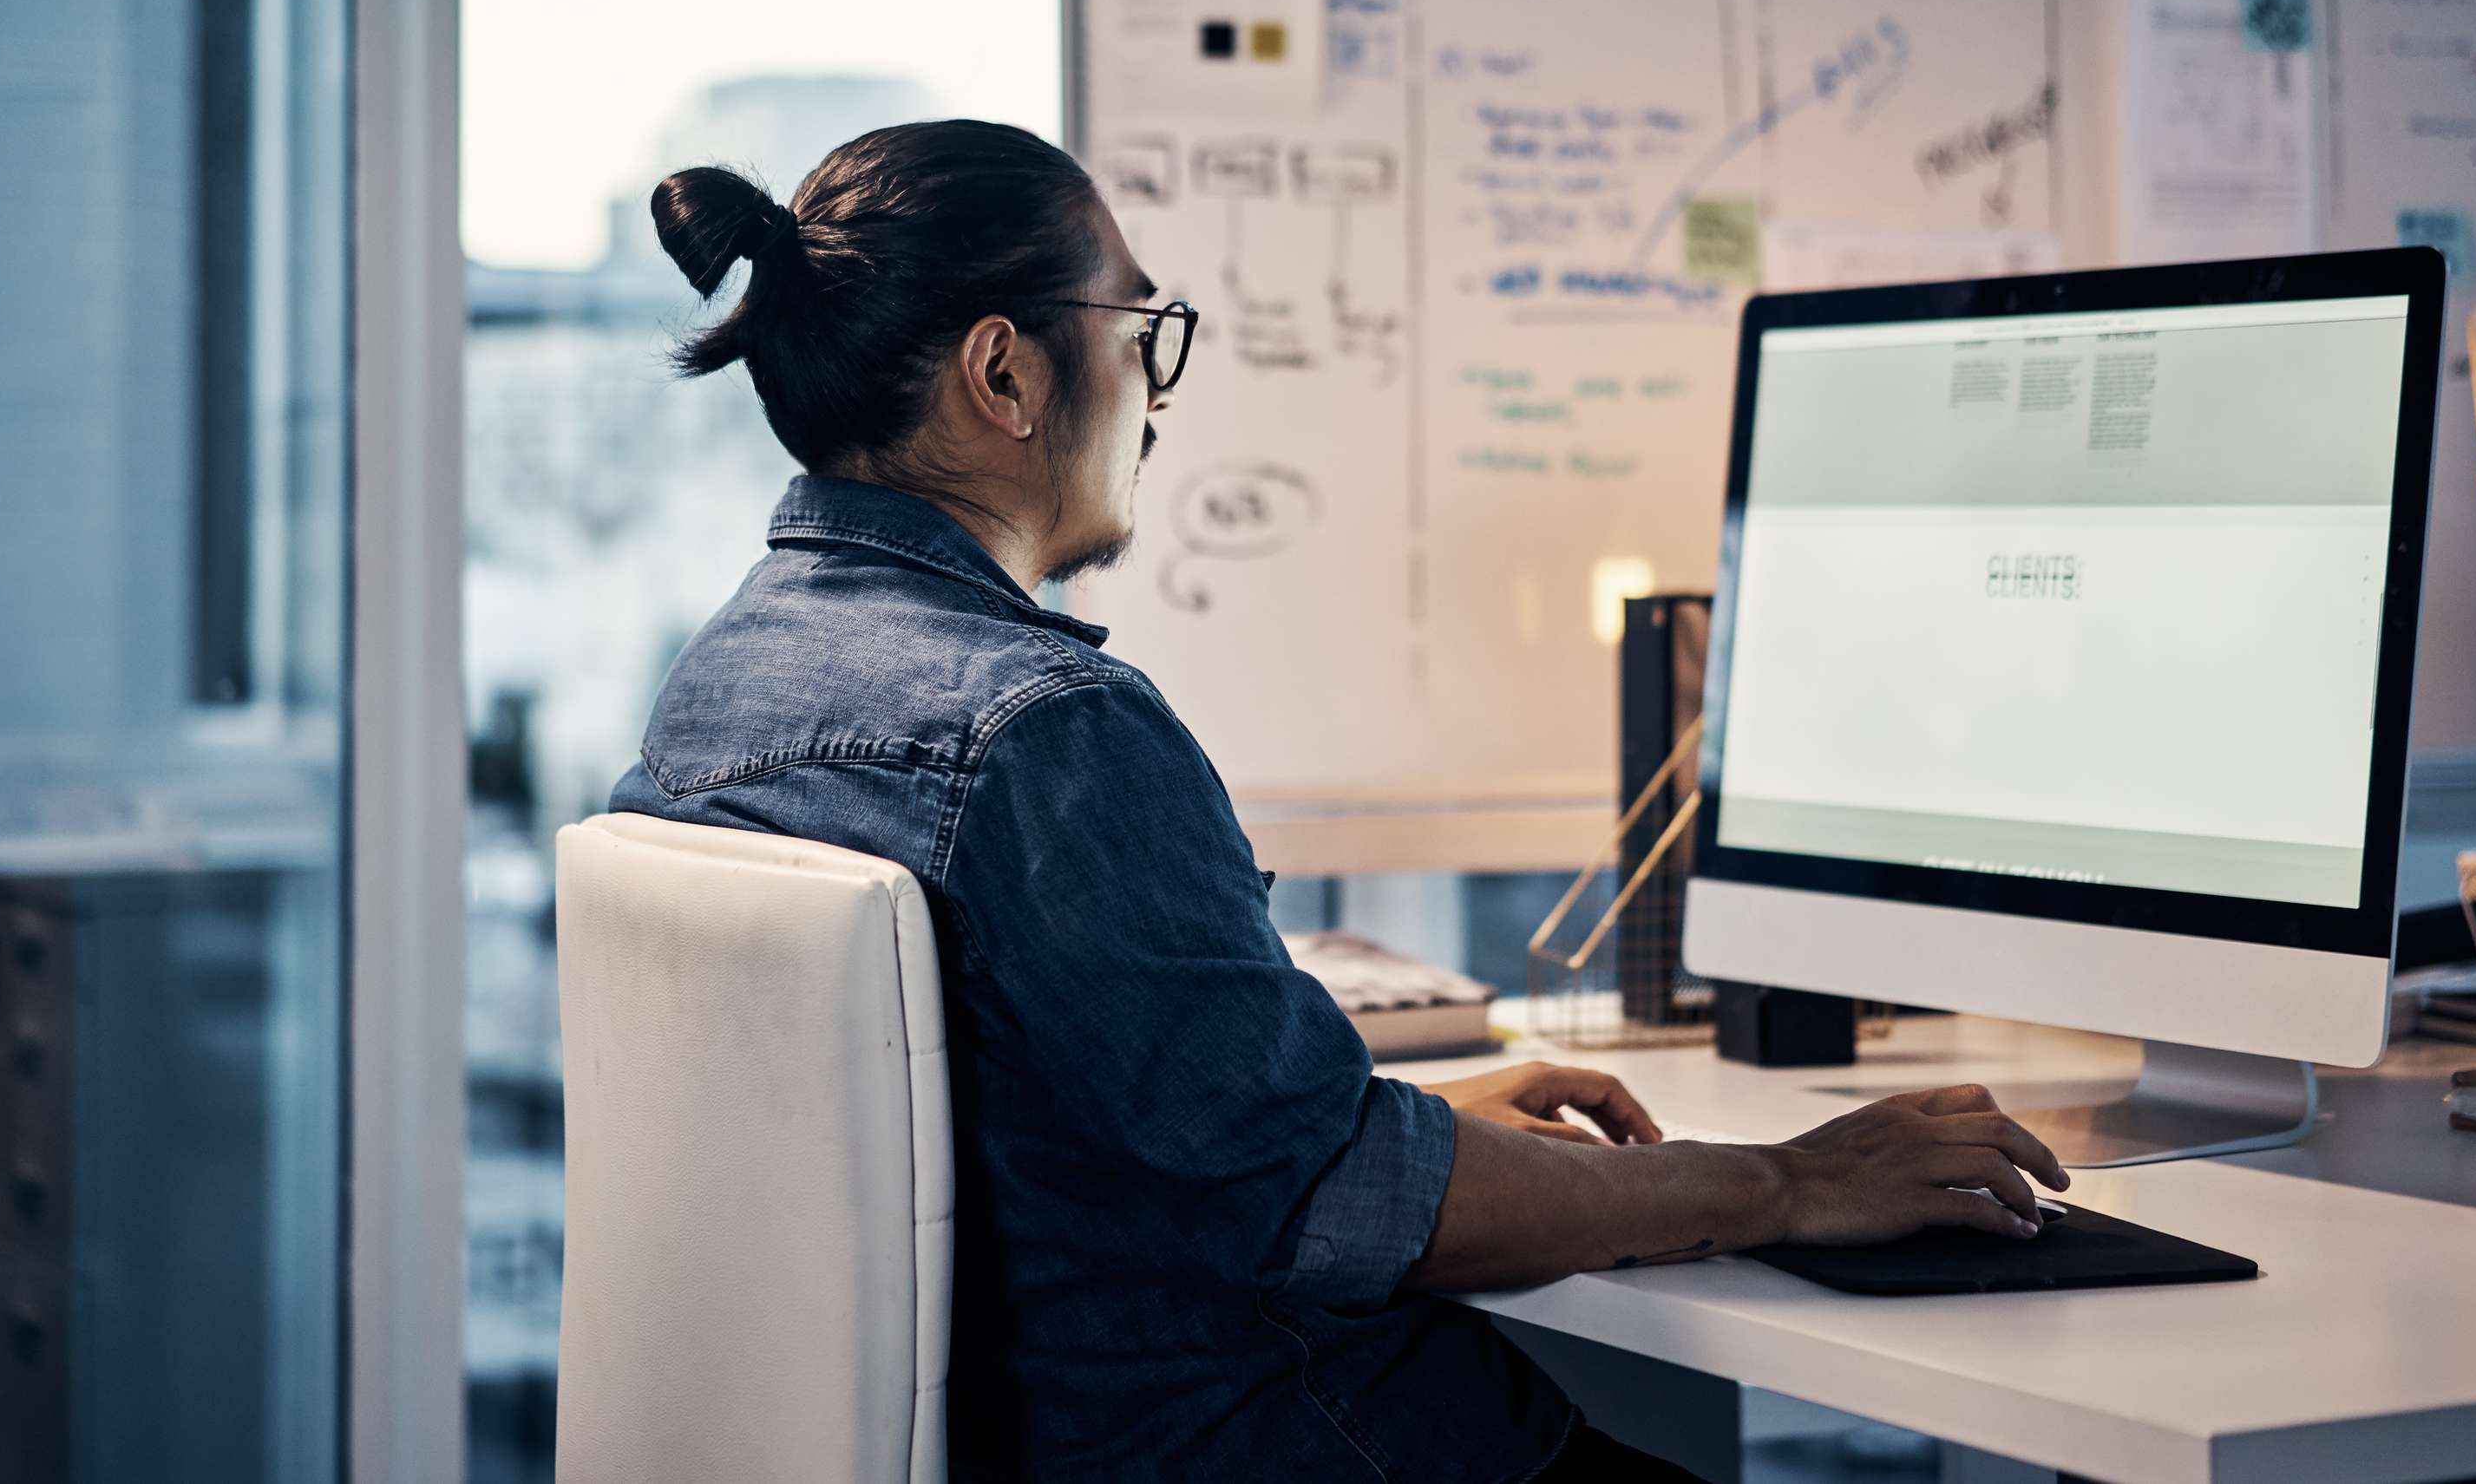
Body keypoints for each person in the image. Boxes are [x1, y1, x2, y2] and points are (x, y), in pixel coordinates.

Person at [610, 120, 2066, 1483]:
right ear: (1007, 375)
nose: (1159, 395)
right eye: (1141, 334)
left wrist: (1367, 1131)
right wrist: (1788, 1184)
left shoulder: (718, 691)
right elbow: (1327, 1206)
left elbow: (1035, 1131)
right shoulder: (1045, 733)